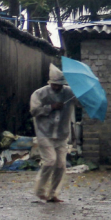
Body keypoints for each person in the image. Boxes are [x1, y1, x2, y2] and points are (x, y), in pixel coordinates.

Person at [29, 64, 76, 203]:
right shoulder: (39, 94)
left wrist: (82, 97)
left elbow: (79, 103)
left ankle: (53, 194)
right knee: (50, 161)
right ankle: (40, 190)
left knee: (61, 165)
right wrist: (50, 107)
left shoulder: (69, 93)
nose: (57, 87)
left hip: (61, 134)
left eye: (59, 85)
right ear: (50, 83)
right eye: (54, 85)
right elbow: (34, 111)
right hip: (45, 133)